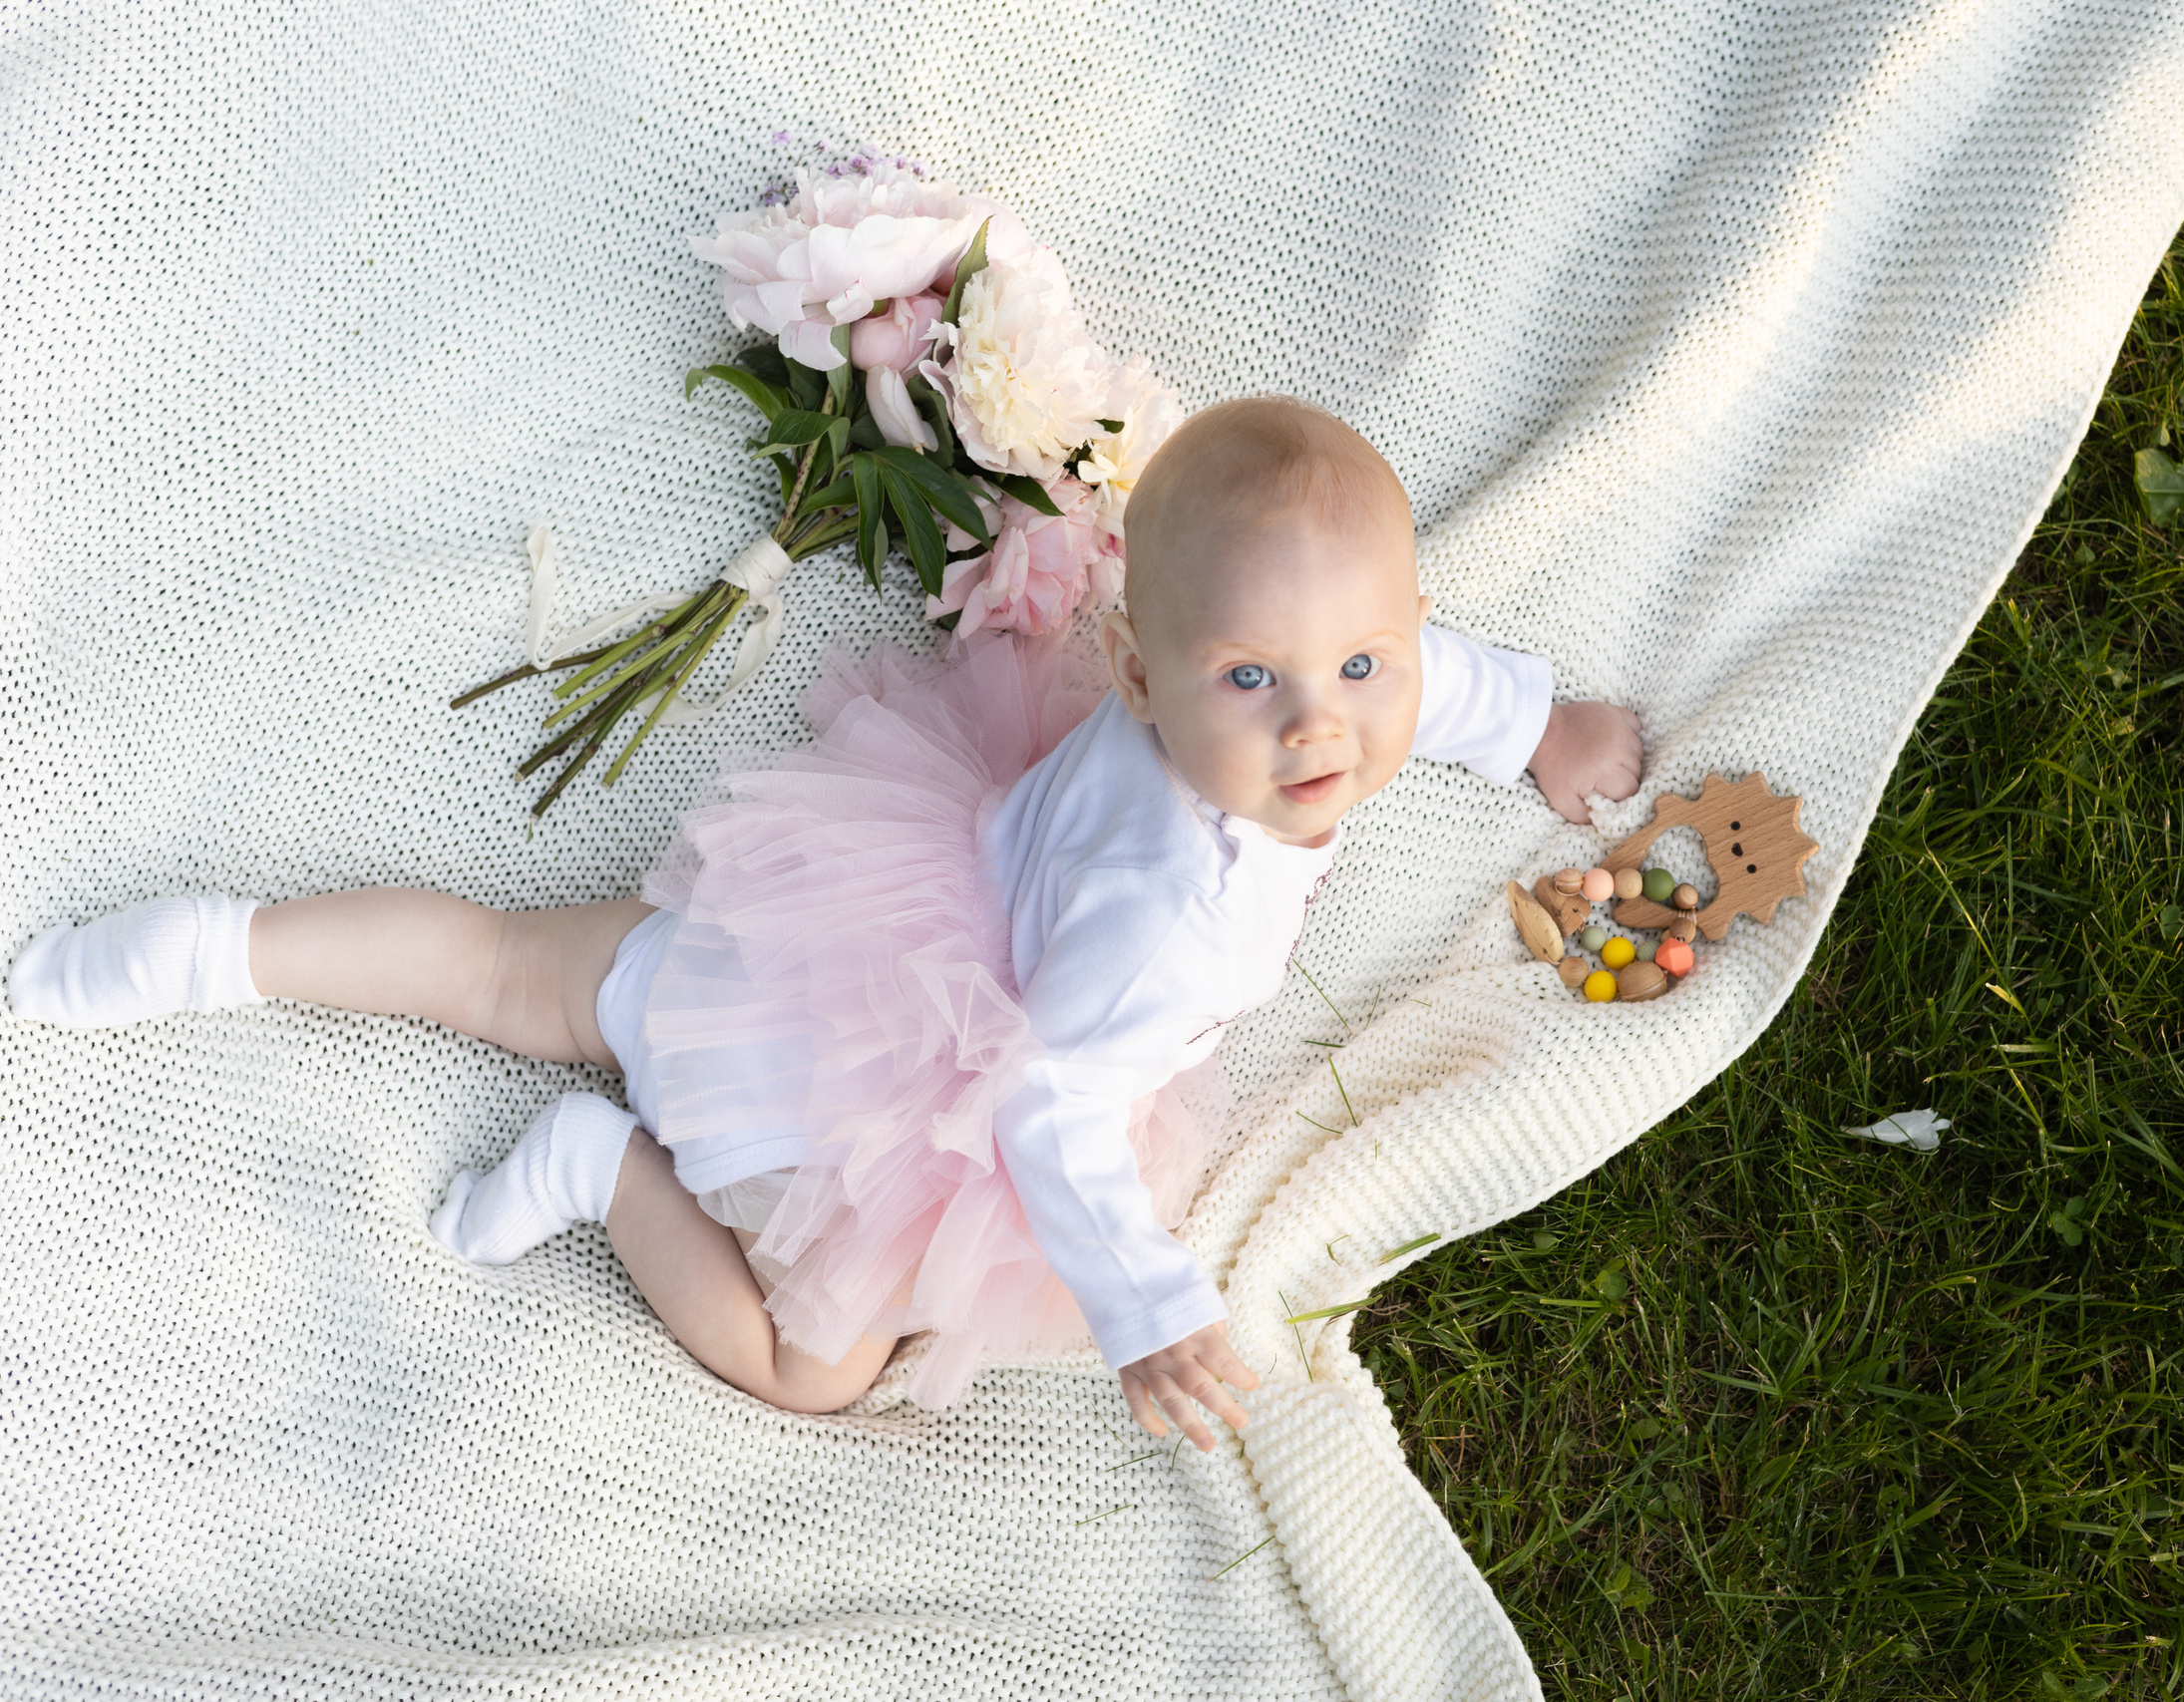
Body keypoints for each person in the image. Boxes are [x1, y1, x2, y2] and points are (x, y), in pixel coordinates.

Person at [8, 396, 1643, 1447]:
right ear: (1144, 677)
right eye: (1255, 685)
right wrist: (1147, 1311)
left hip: (821, 932)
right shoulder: (1175, 921)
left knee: (517, 967)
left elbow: (1405, 675)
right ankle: (608, 1177)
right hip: (873, 1113)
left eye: (1364, 672)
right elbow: (1047, 1110)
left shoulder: (1294, 700)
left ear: (1406, 638)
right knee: (821, 1372)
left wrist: (1539, 726)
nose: (1321, 735)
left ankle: (221, 948)